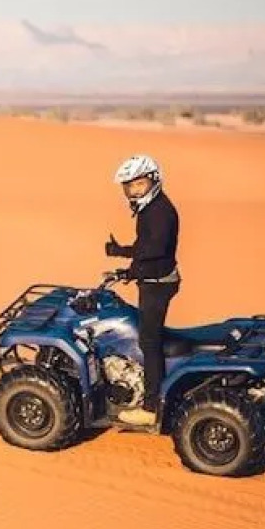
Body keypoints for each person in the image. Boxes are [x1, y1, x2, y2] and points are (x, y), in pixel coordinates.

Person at [104, 153, 181, 426]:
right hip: (153, 278)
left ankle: (150, 407)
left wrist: (130, 270)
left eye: (139, 184)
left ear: (153, 180)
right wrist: (120, 253)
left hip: (158, 283)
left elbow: (154, 250)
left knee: (149, 341)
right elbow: (144, 247)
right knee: (147, 336)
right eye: (129, 186)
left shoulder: (160, 210)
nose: (134, 190)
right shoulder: (150, 209)